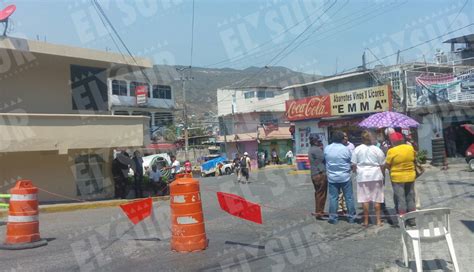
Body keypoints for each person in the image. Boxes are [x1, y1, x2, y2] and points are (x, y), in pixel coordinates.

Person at [351, 131, 386, 227]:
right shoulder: (377, 149)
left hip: (362, 176)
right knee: (377, 199)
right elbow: (382, 164)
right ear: (371, 139)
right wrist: (382, 173)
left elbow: (353, 164)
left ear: (362, 139)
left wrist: (355, 171)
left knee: (364, 199)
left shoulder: (357, 149)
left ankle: (366, 221)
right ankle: (378, 221)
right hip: (376, 175)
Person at [324, 131, 357, 224]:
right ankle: (351, 217)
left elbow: (325, 160)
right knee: (349, 198)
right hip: (345, 176)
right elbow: (351, 161)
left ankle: (333, 218)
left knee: (333, 198)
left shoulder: (327, 148)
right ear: (342, 139)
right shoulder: (345, 149)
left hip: (332, 177)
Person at [385, 132, 417, 223]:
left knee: (400, 199)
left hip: (397, 178)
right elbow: (414, 158)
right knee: (410, 197)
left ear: (392, 141)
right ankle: (412, 220)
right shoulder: (410, 148)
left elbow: (387, 165)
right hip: (410, 176)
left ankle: (402, 220)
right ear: (402, 139)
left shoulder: (391, 151)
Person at [308, 134, 327, 220]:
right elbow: (324, 158)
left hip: (314, 174)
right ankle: (320, 212)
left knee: (318, 193)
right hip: (320, 173)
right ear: (315, 141)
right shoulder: (317, 150)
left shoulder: (311, 149)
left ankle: (318, 211)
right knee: (321, 194)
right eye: (318, 141)